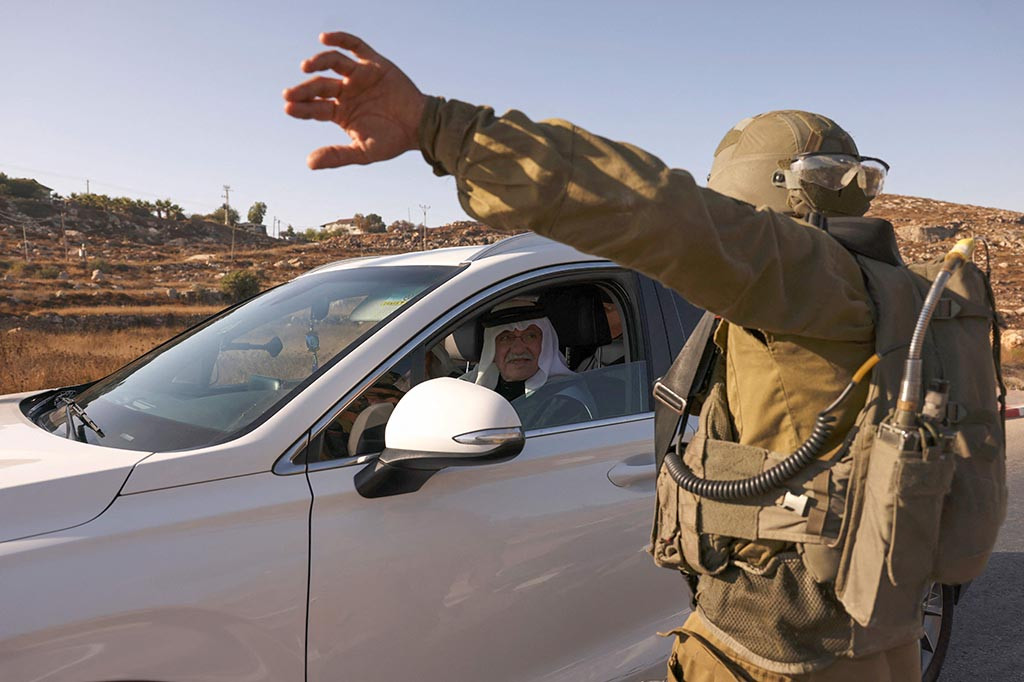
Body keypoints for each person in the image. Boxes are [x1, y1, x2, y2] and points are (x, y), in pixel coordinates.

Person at [282, 32, 998, 681]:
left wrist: (445, 130)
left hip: (779, 652)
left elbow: (653, 208)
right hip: (861, 635)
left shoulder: (803, 277)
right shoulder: (892, 291)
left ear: (757, 195)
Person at [462, 301, 593, 428]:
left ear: (545, 345)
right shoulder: (468, 390)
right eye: (506, 338)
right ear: (492, 349)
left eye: (530, 336)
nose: (518, 349)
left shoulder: (565, 403)